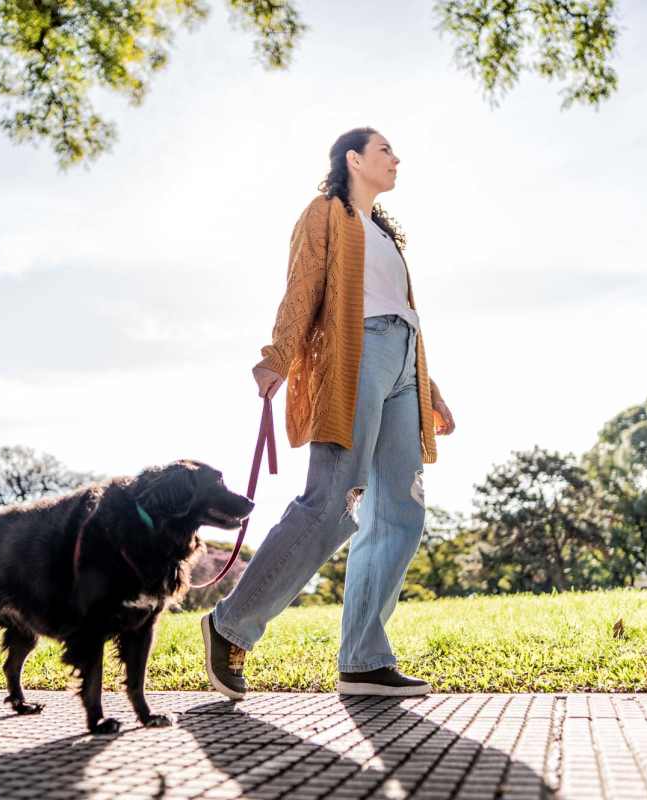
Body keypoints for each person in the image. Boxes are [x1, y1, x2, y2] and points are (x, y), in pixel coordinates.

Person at [201, 127, 456, 699]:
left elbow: (401, 314)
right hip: (353, 358)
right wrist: (277, 357)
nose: (396, 158)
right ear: (354, 158)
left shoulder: (387, 237)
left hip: (403, 367)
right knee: (332, 504)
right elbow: (303, 288)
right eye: (385, 149)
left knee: (401, 513)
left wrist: (429, 388)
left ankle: (364, 660)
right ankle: (229, 625)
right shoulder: (325, 214)